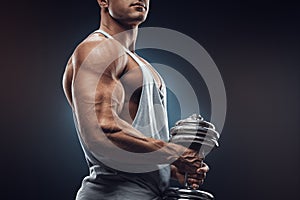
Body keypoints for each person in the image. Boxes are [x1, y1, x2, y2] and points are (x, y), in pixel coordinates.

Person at [62, 0, 209, 199]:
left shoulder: (139, 64)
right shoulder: (98, 49)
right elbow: (102, 133)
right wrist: (174, 153)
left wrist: (174, 168)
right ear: (104, 1)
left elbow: (135, 148)